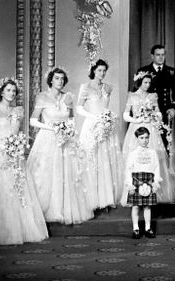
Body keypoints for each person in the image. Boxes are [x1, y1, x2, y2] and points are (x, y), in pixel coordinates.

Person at [0, 78, 48, 245]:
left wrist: (17, 145)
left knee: (18, 191)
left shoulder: (19, 110)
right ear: (1, 92)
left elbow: (17, 133)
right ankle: (2, 232)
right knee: (2, 192)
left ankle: (21, 231)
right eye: (9, 90)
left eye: (14, 91)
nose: (12, 93)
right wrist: (3, 146)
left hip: (16, 154)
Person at [27, 67, 94, 225]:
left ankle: (65, 209)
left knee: (67, 174)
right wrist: (52, 128)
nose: (60, 81)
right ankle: (44, 209)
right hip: (48, 138)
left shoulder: (68, 97)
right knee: (46, 172)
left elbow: (70, 118)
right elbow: (33, 120)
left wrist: (68, 129)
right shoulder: (42, 97)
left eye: (62, 79)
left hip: (65, 139)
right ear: (50, 80)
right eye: (57, 78)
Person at [122, 72, 175, 203]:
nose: (147, 85)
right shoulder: (132, 96)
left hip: (150, 128)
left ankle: (154, 191)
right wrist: (136, 120)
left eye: (149, 83)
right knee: (134, 159)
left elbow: (159, 113)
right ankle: (134, 190)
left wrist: (153, 115)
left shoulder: (153, 96)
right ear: (139, 82)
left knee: (152, 159)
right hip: (136, 128)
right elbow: (125, 114)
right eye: (145, 83)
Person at [76, 59, 124, 210]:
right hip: (92, 125)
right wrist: (92, 117)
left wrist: (106, 118)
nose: (102, 73)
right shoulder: (86, 87)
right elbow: (78, 108)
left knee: (106, 160)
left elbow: (105, 106)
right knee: (92, 160)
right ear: (93, 71)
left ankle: (106, 197)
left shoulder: (108, 87)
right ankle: (91, 198)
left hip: (105, 125)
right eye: (99, 71)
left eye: (104, 71)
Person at [136, 44, 175, 154]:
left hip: (164, 112)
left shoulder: (171, 72)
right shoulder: (144, 71)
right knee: (147, 141)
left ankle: (163, 170)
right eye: (158, 55)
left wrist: (173, 108)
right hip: (148, 112)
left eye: (163, 55)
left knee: (164, 144)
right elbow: (137, 92)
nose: (161, 57)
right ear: (152, 56)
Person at [121, 127, 160, 239]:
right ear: (137, 139)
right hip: (136, 180)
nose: (144, 140)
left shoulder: (152, 153)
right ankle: (136, 228)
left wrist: (155, 182)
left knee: (148, 206)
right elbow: (128, 169)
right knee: (136, 206)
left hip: (149, 180)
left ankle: (148, 228)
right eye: (141, 138)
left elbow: (157, 168)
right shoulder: (133, 153)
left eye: (146, 137)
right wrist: (130, 184)